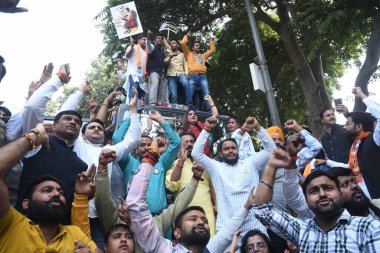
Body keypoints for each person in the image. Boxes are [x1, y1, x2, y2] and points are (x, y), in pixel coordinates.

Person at [126, 143, 258, 252]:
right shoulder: (163, 249)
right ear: (176, 233)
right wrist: (150, 159)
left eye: (205, 221)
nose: (201, 222)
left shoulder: (211, 249)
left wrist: (246, 207)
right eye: (193, 219)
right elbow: (135, 205)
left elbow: (228, 229)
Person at [252, 148, 380, 252]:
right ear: (306, 200)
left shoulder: (367, 228)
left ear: (340, 195)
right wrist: (270, 165)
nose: (322, 194)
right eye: (314, 191)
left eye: (328, 188)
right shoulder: (302, 230)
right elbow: (262, 210)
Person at [0, 123, 101, 252]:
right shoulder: (10, 223)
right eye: (47, 190)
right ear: (26, 203)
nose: (57, 194)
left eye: (61, 192)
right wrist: (34, 136)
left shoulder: (75, 234)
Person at [191, 115, 276, 246]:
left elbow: (272, 149)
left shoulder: (250, 163)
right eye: (226, 149)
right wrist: (206, 128)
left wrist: (258, 128)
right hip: (227, 228)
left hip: (254, 224)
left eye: (233, 148)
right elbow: (196, 154)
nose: (230, 151)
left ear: (238, 150)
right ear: (220, 153)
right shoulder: (216, 168)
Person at [113, 110, 180, 214]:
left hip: (160, 220)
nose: (146, 148)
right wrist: (130, 118)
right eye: (142, 145)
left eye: (149, 145)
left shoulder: (161, 163)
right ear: (135, 150)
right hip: (134, 219)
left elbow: (176, 142)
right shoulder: (129, 163)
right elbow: (117, 139)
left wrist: (160, 120)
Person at [165, 132, 216, 236]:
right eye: (185, 142)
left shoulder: (206, 164)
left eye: (192, 141)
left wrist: (217, 210)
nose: (189, 144)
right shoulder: (175, 163)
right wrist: (181, 161)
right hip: (184, 218)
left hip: (207, 217)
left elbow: (216, 192)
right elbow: (171, 186)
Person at [343, 87, 380, 199]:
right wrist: (327, 162)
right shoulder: (356, 146)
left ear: (358, 126)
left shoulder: (375, 139)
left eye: (348, 123)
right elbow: (352, 166)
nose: (344, 127)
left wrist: (362, 96)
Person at [180, 31, 215, 110]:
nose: (198, 46)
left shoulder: (203, 55)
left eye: (199, 45)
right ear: (192, 48)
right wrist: (187, 36)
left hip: (202, 76)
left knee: (207, 95)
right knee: (189, 95)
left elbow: (212, 50)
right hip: (192, 77)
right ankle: (189, 111)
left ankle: (211, 111)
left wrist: (210, 39)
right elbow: (182, 43)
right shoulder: (188, 54)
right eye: (196, 45)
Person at [165, 39, 191, 105]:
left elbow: (185, 64)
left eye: (173, 43)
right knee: (174, 95)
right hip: (171, 75)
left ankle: (189, 105)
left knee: (186, 84)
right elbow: (165, 62)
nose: (171, 44)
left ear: (177, 45)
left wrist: (187, 73)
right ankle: (174, 110)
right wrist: (170, 56)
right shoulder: (168, 52)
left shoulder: (182, 54)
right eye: (171, 43)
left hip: (181, 74)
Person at [124, 35, 148, 105]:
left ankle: (138, 111)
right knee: (134, 89)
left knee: (141, 95)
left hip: (142, 77)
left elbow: (146, 65)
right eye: (144, 39)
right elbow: (127, 56)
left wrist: (146, 74)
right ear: (139, 40)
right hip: (133, 73)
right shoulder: (133, 47)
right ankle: (129, 107)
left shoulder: (146, 51)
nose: (145, 41)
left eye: (146, 40)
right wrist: (131, 47)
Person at [147, 32, 168, 105]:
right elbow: (149, 48)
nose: (160, 39)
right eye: (158, 38)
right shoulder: (153, 47)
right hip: (154, 72)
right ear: (155, 40)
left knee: (162, 92)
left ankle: (160, 108)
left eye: (162, 39)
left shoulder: (164, 50)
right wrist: (148, 39)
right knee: (154, 86)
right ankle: (152, 105)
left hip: (163, 73)